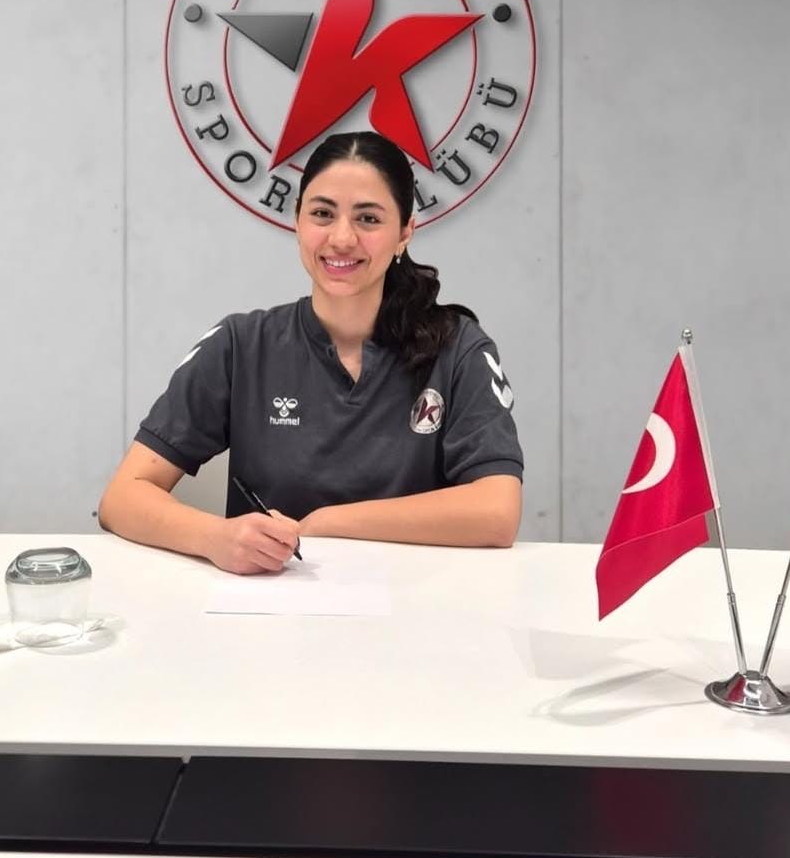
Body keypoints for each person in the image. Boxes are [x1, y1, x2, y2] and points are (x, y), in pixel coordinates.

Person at [99, 131, 523, 573]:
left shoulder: (458, 349)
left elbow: (497, 511)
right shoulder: (241, 345)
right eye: (322, 213)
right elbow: (122, 497)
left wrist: (326, 523)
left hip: (418, 601)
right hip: (271, 603)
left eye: (368, 219)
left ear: (404, 232)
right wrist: (214, 537)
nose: (342, 238)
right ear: (298, 220)